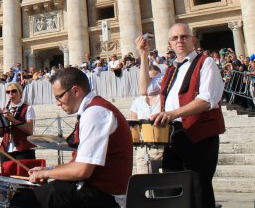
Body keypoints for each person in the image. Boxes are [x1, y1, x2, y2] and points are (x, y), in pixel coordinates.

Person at [12, 67, 132, 208]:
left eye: (59, 97)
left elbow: (82, 170)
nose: (57, 103)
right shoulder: (94, 109)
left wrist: (47, 173)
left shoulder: (95, 113)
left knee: (21, 202)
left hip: (104, 196)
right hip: (94, 190)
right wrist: (48, 169)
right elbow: (80, 164)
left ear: (75, 91)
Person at [137, 24, 225, 208]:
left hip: (199, 135)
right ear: (169, 43)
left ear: (193, 40)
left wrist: (172, 113)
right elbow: (144, 89)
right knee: (172, 190)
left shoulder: (205, 63)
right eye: (175, 38)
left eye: (184, 36)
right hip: (174, 136)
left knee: (199, 190)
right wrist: (144, 55)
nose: (180, 41)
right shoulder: (170, 70)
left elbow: (207, 100)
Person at [129, 65, 163, 174]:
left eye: (155, 79)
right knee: (143, 183)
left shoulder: (164, 99)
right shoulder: (138, 101)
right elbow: (133, 123)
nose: (151, 82)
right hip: (143, 149)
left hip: (161, 147)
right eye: (149, 79)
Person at [0, 82, 36, 164]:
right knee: (6, 176)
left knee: (22, 176)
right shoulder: (5, 109)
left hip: (23, 149)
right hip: (6, 149)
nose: (11, 94)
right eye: (8, 92)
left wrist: (13, 119)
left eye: (14, 91)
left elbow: (30, 130)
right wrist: (0, 123)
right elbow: (1, 134)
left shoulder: (28, 108)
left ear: (20, 93)